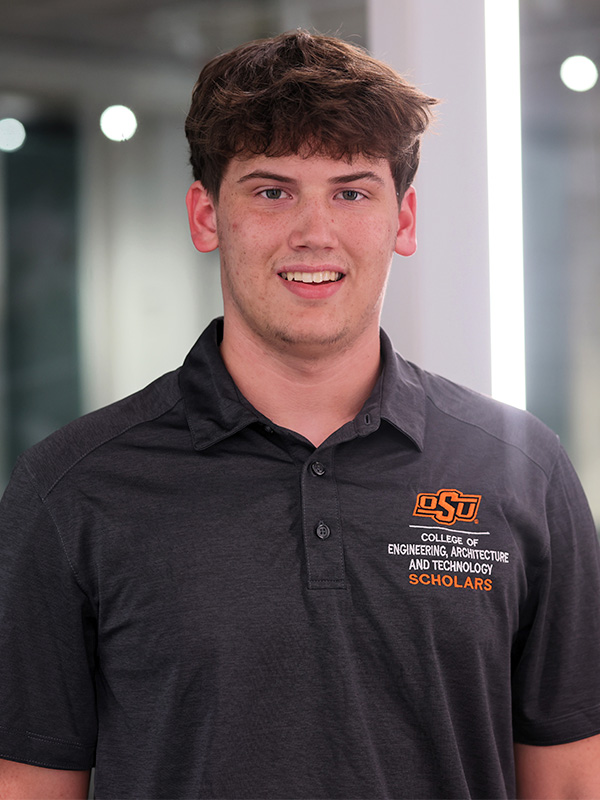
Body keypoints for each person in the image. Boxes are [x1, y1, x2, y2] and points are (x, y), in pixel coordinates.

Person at [1, 29, 600, 800]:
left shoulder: (522, 471)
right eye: (271, 190)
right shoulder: (72, 488)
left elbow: (570, 779)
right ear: (207, 215)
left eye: (351, 191)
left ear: (403, 221)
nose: (314, 232)